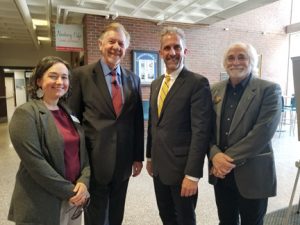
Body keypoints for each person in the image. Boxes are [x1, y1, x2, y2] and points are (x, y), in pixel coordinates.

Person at [68, 22, 144, 225]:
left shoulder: (133, 79)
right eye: (111, 41)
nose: (116, 47)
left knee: (117, 213)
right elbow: (72, 123)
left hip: (123, 161)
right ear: (100, 44)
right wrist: (76, 164)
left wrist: (138, 157)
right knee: (96, 216)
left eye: (121, 43)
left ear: (125, 48)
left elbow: (136, 122)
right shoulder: (81, 76)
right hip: (93, 161)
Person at [8, 56, 90, 225]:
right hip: (42, 201)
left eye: (65, 77)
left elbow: (81, 153)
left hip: (73, 198)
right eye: (53, 76)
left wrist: (84, 181)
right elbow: (36, 164)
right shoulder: (26, 114)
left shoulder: (68, 112)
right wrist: (71, 192)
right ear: (39, 81)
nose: (60, 82)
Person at [209, 42, 282, 225]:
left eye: (241, 57)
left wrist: (222, 160)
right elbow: (206, 128)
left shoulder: (269, 90)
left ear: (252, 61)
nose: (235, 62)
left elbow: (262, 133)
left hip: (252, 173)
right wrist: (213, 153)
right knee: (226, 220)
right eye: (230, 58)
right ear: (225, 63)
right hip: (222, 176)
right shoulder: (214, 90)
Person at [146, 26, 213, 225]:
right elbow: (154, 124)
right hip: (159, 167)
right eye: (167, 48)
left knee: (184, 219)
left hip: (182, 170)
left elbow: (201, 132)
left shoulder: (197, 83)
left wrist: (192, 175)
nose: (172, 52)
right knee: (166, 216)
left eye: (177, 47)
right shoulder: (156, 83)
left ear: (185, 51)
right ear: (160, 53)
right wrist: (150, 157)